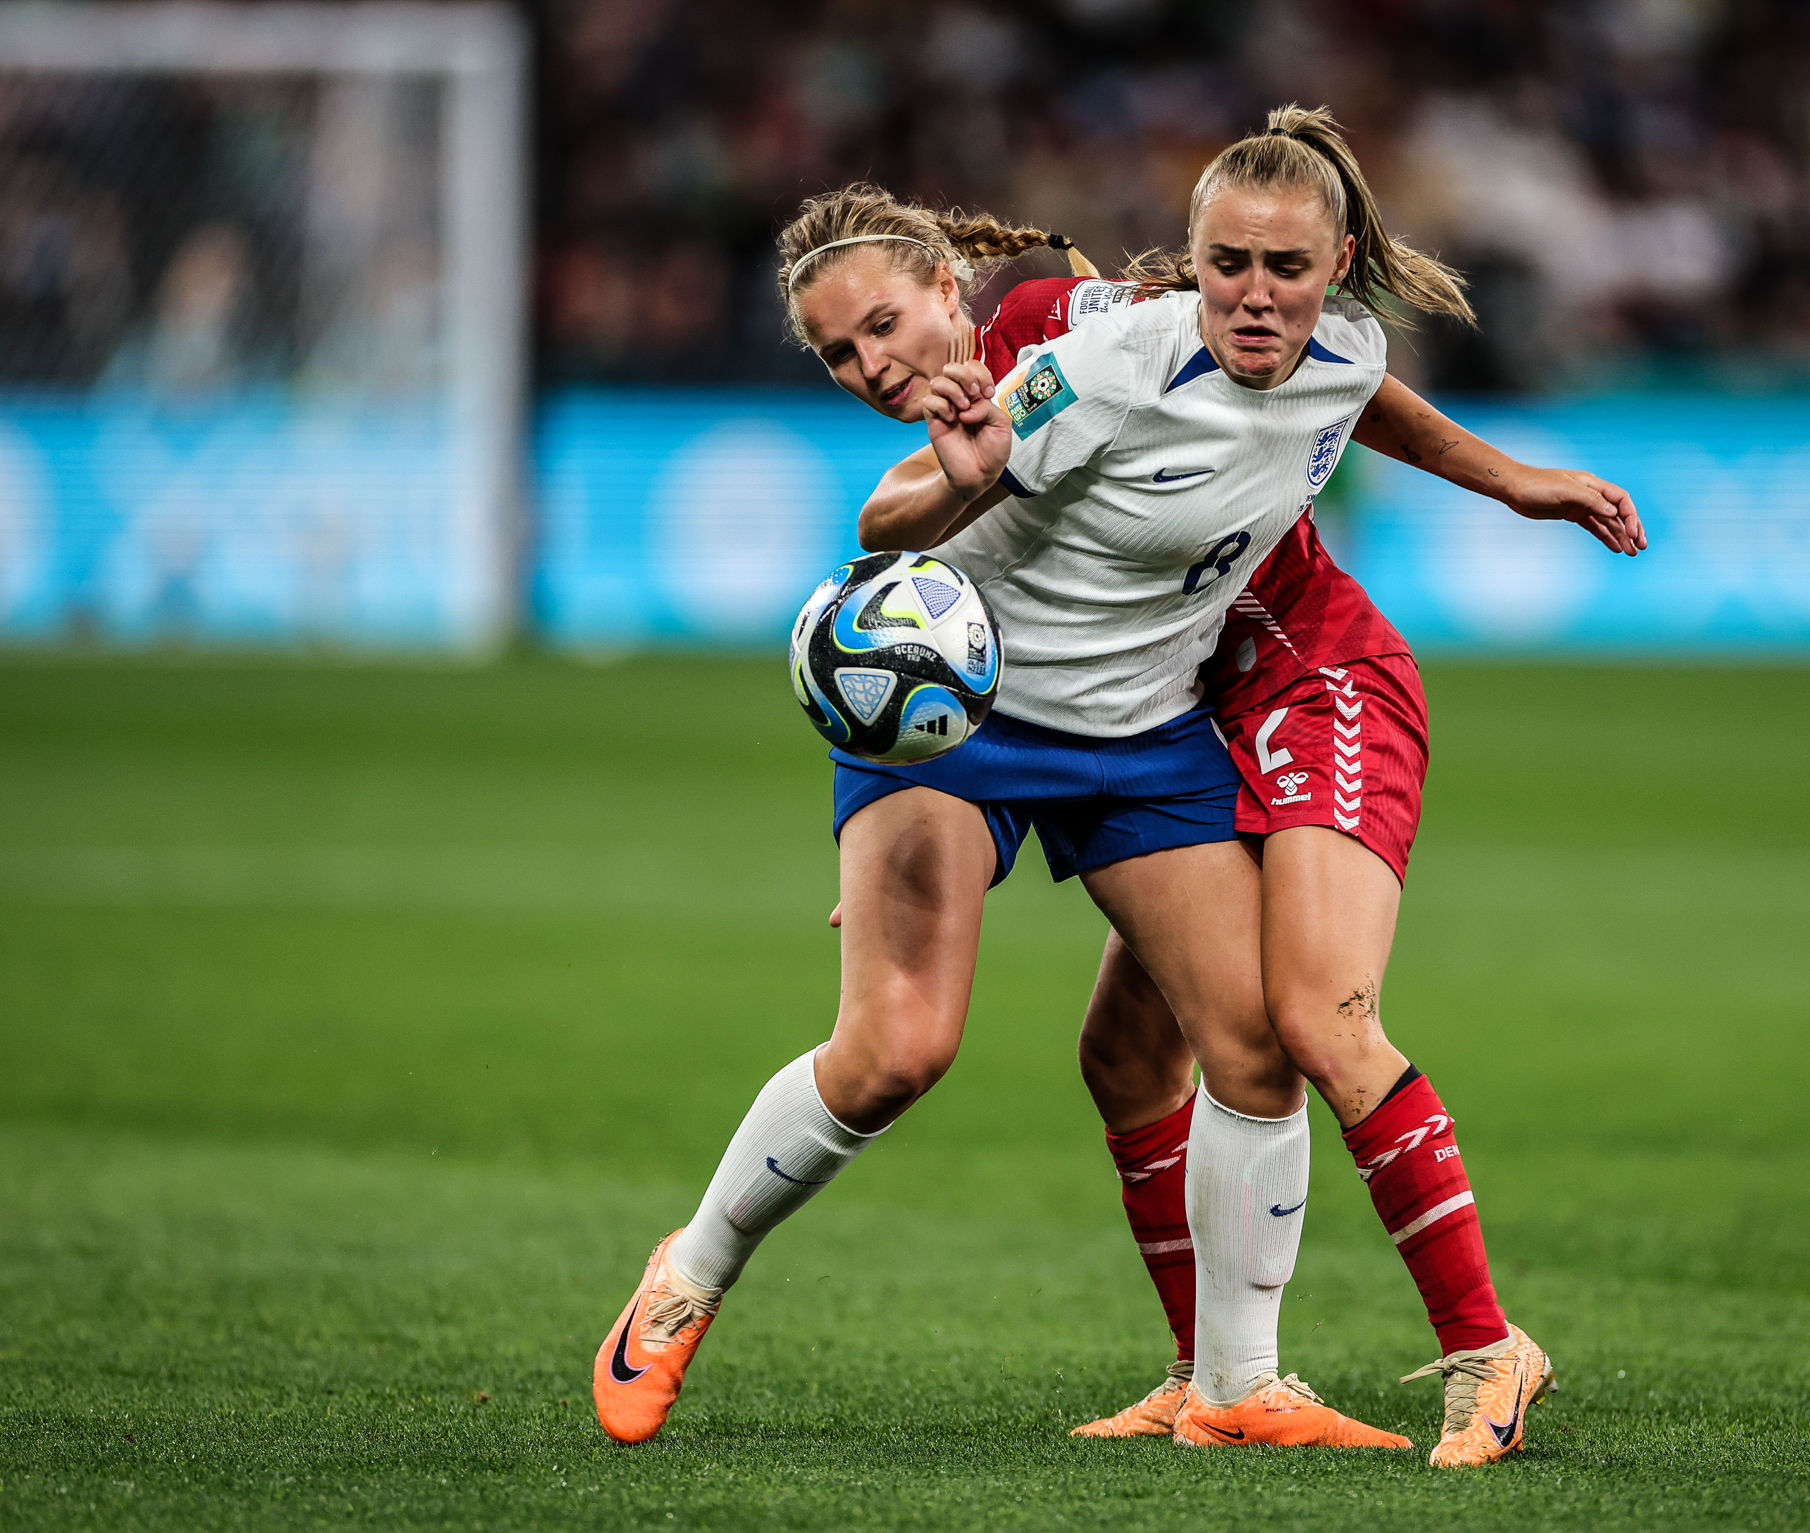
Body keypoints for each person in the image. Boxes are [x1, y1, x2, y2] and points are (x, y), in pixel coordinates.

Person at [592, 113, 1498, 1452]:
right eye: (840, 353)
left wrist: (1511, 482)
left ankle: (1237, 1385)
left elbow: (1328, 371)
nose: (871, 364)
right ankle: (686, 1275)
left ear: (946, 288)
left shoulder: (1071, 325)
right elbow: (881, 520)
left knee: (1250, 1040)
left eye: (886, 326)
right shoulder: (968, 404)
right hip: (950, 718)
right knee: (900, 1048)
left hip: (1137, 730)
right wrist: (953, 483)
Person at [825, 106, 1644, 1464]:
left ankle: (1487, 1349)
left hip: (1308, 677)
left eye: (1287, 268)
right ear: (1187, 263)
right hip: (1185, 707)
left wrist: (1517, 484)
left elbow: (1355, 384)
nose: (882, 363)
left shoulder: (1119, 333)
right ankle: (1209, 1372)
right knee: (1126, 1054)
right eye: (1228, 265)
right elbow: (955, 585)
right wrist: (915, 844)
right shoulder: (1106, 351)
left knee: (1317, 1020)